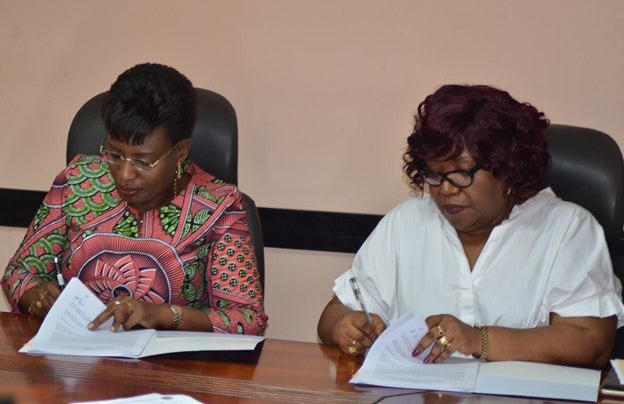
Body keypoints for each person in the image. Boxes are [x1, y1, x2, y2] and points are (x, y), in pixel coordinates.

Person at [317, 84, 624, 368]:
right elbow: (332, 315)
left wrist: (480, 339)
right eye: (434, 174)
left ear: (507, 169)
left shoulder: (567, 229)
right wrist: (345, 327)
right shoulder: (406, 222)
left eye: (462, 173)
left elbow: (591, 341)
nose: (446, 189)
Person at [2, 63, 267, 335]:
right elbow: (18, 273)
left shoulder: (219, 205)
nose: (125, 174)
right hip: (76, 362)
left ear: (180, 152)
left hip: (172, 370)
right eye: (115, 155)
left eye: (143, 162)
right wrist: (36, 296)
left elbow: (247, 319)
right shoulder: (78, 180)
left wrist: (164, 315)